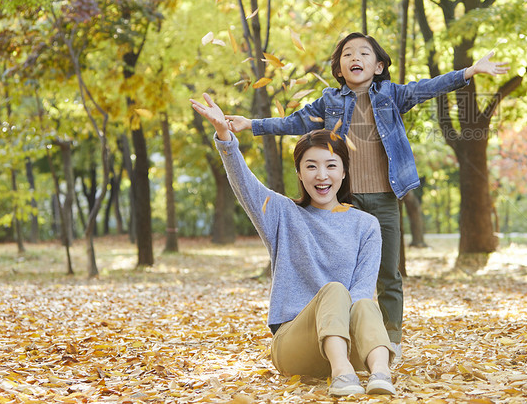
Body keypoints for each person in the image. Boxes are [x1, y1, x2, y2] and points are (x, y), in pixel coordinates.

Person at [226, 33, 508, 354]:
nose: (355, 57)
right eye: (347, 54)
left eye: (363, 53)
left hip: (385, 197)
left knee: (389, 273)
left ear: (378, 66)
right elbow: (295, 122)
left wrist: (468, 72)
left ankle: (390, 340)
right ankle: (339, 336)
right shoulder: (328, 102)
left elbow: (425, 87)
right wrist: (251, 124)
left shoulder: (392, 95)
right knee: (340, 272)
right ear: (339, 68)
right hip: (342, 201)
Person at [190, 93, 397, 397]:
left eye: (330, 165)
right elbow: (244, 184)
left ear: (343, 171)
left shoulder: (366, 225)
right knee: (335, 289)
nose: (322, 175)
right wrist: (225, 137)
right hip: (294, 346)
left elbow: (363, 290)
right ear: (299, 173)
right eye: (311, 166)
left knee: (364, 301)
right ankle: (341, 375)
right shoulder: (283, 213)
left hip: (352, 345)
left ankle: (380, 373)